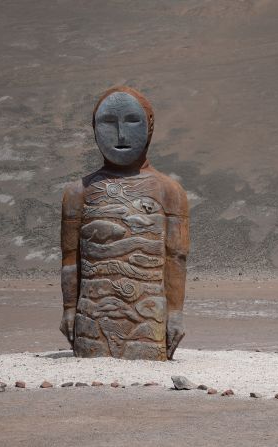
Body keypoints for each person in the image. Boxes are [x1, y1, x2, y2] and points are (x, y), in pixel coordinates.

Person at [59, 86, 189, 361]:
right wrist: (69, 309)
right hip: (91, 317)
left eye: (132, 121)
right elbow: (70, 260)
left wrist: (175, 313)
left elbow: (176, 256)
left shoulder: (168, 191)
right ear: (94, 129)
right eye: (108, 123)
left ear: (149, 127)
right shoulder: (78, 192)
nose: (120, 135)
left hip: (148, 316)